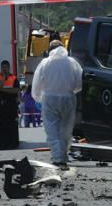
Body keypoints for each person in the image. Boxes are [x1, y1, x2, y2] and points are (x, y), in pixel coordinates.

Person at [31, 40, 82, 170]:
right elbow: (79, 82)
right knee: (66, 128)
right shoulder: (72, 62)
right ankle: (63, 155)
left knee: (51, 128)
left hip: (50, 98)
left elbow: (37, 83)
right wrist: (71, 91)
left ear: (50, 49)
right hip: (68, 98)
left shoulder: (45, 63)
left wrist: (37, 97)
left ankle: (57, 157)